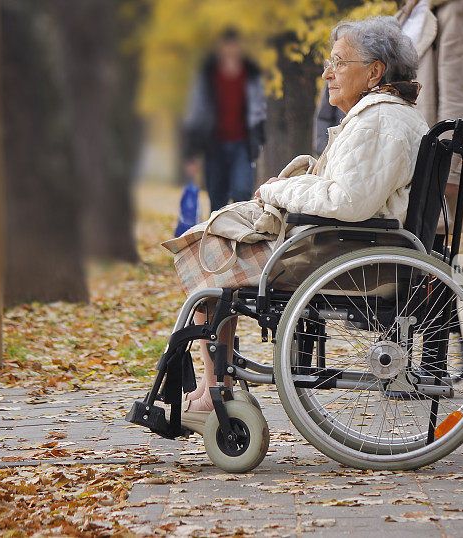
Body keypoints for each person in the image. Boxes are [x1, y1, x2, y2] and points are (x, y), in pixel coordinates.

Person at [174, 16, 429, 432]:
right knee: (216, 244)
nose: (328, 72)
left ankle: (212, 387)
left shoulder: (377, 121)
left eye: (339, 62)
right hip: (352, 248)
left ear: (375, 71)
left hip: (347, 255)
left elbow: (347, 201)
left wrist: (278, 192)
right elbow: (351, 189)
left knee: (208, 252)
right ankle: (213, 383)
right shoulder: (384, 117)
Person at [313, 0, 463, 237]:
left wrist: (449, 169)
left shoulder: (455, 10)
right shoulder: (409, 12)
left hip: (424, 138)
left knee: (423, 240)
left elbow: (461, 95)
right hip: (401, 141)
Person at [182, 28, 267, 213]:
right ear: (220, 47)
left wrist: (259, 138)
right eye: (226, 45)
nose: (230, 49)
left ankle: (241, 236)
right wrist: (191, 152)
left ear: (239, 46)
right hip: (214, 145)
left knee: (242, 191)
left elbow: (259, 107)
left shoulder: (251, 72)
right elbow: (197, 110)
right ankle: (218, 239)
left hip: (242, 144)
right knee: (216, 197)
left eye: (233, 45)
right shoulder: (207, 73)